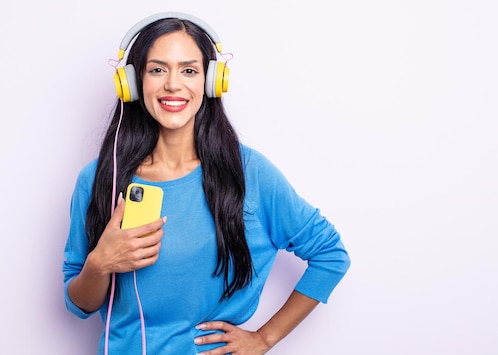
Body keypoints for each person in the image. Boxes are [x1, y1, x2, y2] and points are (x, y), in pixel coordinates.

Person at [62, 12, 350, 355]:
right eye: (157, 69)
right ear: (134, 82)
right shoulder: (99, 179)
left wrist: (264, 338)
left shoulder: (250, 173)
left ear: (211, 81)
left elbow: (330, 254)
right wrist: (100, 263)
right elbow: (80, 304)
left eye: (189, 70)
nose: (172, 84)